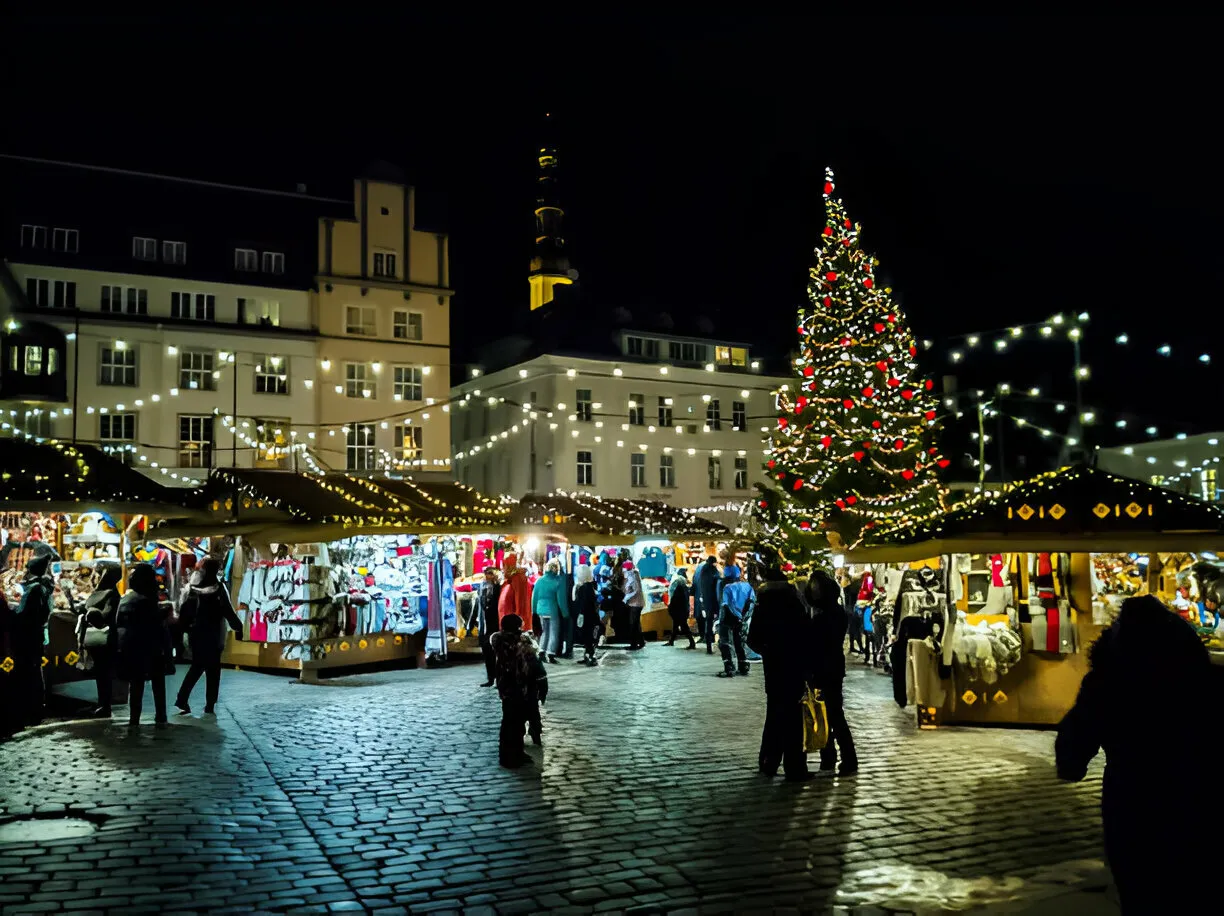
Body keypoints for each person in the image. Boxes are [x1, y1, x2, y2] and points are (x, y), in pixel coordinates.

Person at [1056, 595, 1212, 912]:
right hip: (1202, 797)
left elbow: (1073, 753)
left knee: (1141, 890)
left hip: (1132, 801)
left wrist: (1072, 760)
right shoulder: (1207, 681)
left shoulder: (1107, 684)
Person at [748, 563, 815, 781]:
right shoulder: (795, 604)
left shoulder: (763, 606)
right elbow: (807, 636)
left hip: (774, 669)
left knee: (774, 715)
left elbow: (753, 639)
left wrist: (768, 651)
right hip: (794, 667)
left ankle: (768, 761)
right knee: (794, 719)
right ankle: (795, 767)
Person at [174, 558, 244, 716]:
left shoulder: (193, 589)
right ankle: (209, 704)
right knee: (213, 670)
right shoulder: (219, 589)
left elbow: (185, 612)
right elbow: (228, 611)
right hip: (214, 635)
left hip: (197, 634)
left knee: (197, 667)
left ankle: (182, 698)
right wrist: (238, 627)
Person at [805, 569, 858, 775]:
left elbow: (818, 643)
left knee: (833, 714)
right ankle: (830, 757)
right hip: (831, 667)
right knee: (828, 713)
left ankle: (845, 758)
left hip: (826, 669)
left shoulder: (828, 615)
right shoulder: (833, 612)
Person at [115, 563, 173, 730]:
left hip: (130, 646)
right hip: (149, 646)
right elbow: (152, 624)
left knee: (136, 684)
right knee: (157, 681)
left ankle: (135, 718)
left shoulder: (126, 599)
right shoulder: (146, 601)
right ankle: (161, 715)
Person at [490, 614, 549, 768]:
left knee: (508, 721)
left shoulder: (499, 643)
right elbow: (536, 667)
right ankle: (514, 756)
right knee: (517, 723)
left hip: (506, 688)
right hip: (521, 688)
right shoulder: (521, 644)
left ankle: (509, 754)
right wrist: (542, 687)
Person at [11, 554, 55, 727]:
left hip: (28, 636)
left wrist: (12, 612)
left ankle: (32, 709)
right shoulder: (43, 588)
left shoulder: (34, 589)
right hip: (36, 635)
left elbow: (23, 614)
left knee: (29, 671)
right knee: (35, 670)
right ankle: (36, 707)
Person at [81, 565, 123, 718]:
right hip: (98, 638)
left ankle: (105, 706)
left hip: (105, 638)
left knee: (104, 673)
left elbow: (105, 616)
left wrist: (92, 614)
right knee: (100, 673)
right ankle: (102, 704)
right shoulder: (102, 592)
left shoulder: (112, 594)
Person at [716, 565, 755, 678]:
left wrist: (736, 615)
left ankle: (729, 667)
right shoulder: (747, 586)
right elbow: (752, 601)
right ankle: (743, 665)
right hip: (743, 617)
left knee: (725, 641)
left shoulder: (727, 587)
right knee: (739, 641)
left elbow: (726, 604)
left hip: (728, 616)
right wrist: (744, 617)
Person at [531, 558, 570, 664]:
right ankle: (551, 653)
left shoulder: (539, 581)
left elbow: (534, 597)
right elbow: (561, 599)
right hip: (552, 609)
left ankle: (541, 651)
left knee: (544, 632)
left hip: (540, 610)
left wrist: (533, 611)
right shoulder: (558, 581)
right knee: (554, 632)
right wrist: (565, 613)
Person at [477, 567, 503, 686]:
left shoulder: (498, 588)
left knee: (496, 653)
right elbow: (477, 606)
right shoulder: (482, 588)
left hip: (494, 624)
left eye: (491, 574)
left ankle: (498, 679)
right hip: (484, 625)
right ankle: (491, 678)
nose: (488, 576)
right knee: (487, 653)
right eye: (487, 574)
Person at [572, 564, 600, 666]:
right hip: (590, 616)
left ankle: (590, 656)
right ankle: (588, 655)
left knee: (587, 637)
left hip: (586, 616)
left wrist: (580, 614)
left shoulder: (584, 588)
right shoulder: (590, 586)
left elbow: (583, 603)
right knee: (588, 637)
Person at [497, 553, 533, 632]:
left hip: (513, 623)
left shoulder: (518, 579)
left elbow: (520, 601)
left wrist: (518, 620)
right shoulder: (509, 580)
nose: (503, 569)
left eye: (505, 566)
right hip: (506, 622)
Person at [693, 555, 720, 654]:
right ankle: (711, 644)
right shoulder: (712, 571)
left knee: (708, 624)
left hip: (705, 601)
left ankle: (708, 645)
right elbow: (715, 585)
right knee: (711, 624)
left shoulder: (702, 570)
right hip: (712, 601)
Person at [666, 568, 696, 649]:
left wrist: (670, 607)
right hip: (682, 609)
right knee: (677, 625)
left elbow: (673, 597)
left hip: (678, 610)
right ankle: (671, 641)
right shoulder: (683, 583)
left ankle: (692, 643)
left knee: (683, 626)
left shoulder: (677, 582)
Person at [839, 569, 864, 657]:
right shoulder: (850, 588)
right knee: (854, 630)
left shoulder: (849, 588)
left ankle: (856, 646)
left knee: (853, 630)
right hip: (851, 611)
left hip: (850, 611)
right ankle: (858, 647)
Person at [622, 560, 646, 650]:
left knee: (633, 624)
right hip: (637, 603)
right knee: (636, 624)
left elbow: (635, 590)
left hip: (635, 604)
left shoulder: (632, 576)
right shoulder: (634, 574)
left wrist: (625, 599)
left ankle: (634, 644)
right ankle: (641, 642)